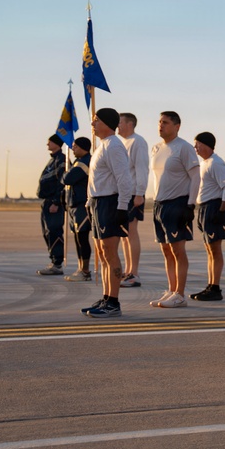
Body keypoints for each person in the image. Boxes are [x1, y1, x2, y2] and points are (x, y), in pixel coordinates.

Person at [81, 108, 133, 318]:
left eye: (96, 121)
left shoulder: (114, 146)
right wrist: (88, 202)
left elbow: (125, 180)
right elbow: (96, 180)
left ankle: (113, 302)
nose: (93, 124)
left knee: (110, 253)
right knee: (102, 253)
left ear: (107, 123)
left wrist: (122, 207)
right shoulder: (102, 146)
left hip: (110, 204)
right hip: (97, 203)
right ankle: (106, 297)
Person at [149, 111, 200, 309]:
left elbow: (196, 177)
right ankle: (171, 290)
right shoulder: (156, 148)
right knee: (166, 250)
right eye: (159, 122)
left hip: (177, 203)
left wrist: (191, 203)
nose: (161, 125)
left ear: (177, 126)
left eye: (166, 122)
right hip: (159, 204)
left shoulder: (184, 148)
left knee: (178, 250)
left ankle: (180, 293)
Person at [191, 132, 225, 302]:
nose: (195, 148)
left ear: (206, 145)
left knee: (215, 250)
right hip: (205, 208)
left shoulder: (216, 163)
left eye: (197, 144)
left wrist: (221, 211)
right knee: (209, 250)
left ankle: (215, 288)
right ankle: (210, 285)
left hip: (214, 207)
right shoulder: (204, 163)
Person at [117, 113, 148, 288]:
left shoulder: (138, 142)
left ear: (130, 124)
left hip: (133, 193)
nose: (117, 126)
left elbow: (142, 168)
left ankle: (134, 273)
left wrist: (140, 193)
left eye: (120, 123)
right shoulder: (122, 143)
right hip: (122, 194)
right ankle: (127, 270)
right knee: (124, 235)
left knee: (131, 232)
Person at [61, 138, 93, 281]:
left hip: (81, 205)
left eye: (75, 147)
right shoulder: (77, 162)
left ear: (83, 147)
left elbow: (67, 179)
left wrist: (65, 173)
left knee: (82, 238)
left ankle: (85, 270)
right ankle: (80, 267)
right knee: (77, 238)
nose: (73, 149)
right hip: (73, 204)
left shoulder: (84, 162)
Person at [36, 134, 66, 275]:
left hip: (54, 202)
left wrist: (56, 202)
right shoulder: (53, 159)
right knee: (47, 233)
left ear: (57, 143)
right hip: (47, 201)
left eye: (50, 142)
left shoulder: (62, 160)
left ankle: (57, 263)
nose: (47, 144)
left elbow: (62, 183)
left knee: (54, 232)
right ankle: (53, 260)